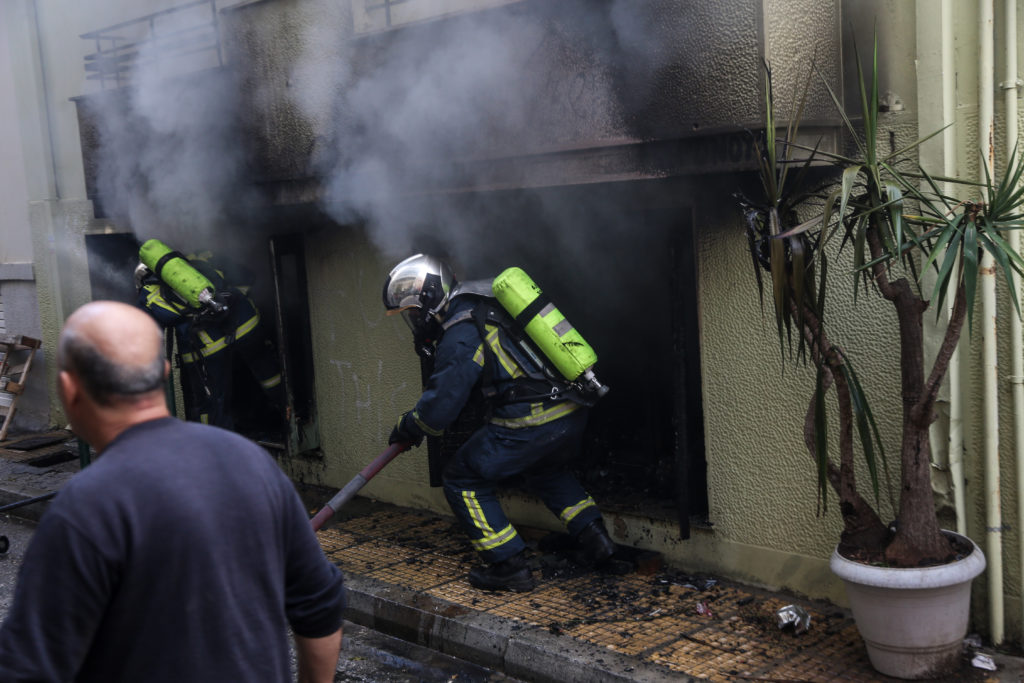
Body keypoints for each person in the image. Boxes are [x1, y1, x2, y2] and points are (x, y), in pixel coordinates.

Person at [0, 301, 345, 682]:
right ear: (163, 374)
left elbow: (29, 670)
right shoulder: (249, 461)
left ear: (69, 389)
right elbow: (319, 602)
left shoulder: (87, 508)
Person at [382, 253, 616, 592]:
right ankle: (597, 542)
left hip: (533, 421)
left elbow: (440, 409)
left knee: (462, 477)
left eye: (415, 313)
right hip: (569, 409)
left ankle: (508, 565)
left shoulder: (461, 331)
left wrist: (410, 425)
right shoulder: (486, 299)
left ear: (431, 297)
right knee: (546, 469)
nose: (416, 323)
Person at [136, 244, 285, 430]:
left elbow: (146, 331)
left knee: (211, 400)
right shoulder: (203, 257)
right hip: (246, 324)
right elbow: (247, 276)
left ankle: (218, 443)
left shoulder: (148, 292)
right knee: (269, 372)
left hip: (208, 348)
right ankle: (290, 414)